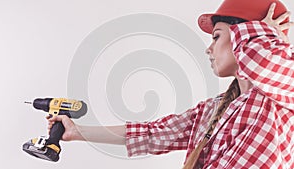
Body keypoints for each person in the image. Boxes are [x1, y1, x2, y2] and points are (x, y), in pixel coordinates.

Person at [47, 0, 294, 168]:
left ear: (251, 36)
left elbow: (266, 61)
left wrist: (260, 32)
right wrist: (77, 131)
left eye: (217, 37)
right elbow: (153, 134)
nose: (208, 49)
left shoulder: (282, 91)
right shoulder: (214, 110)